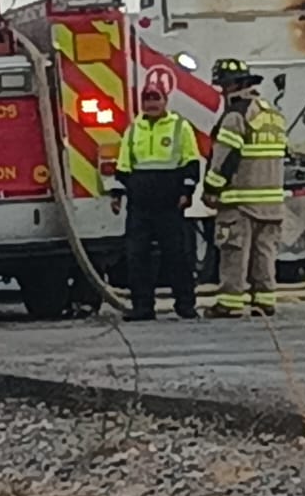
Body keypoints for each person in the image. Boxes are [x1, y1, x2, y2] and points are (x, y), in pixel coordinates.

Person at [202, 59, 288, 318]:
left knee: (234, 252)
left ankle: (229, 302)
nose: (223, 91)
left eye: (224, 86)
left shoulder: (236, 115)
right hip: (271, 201)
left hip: (240, 201)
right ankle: (264, 300)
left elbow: (225, 158)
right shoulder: (272, 115)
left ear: (236, 85)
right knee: (264, 252)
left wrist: (211, 189)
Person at [111, 86, 202, 321]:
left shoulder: (180, 127)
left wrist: (187, 190)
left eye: (155, 99)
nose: (151, 104)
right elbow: (124, 166)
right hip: (140, 204)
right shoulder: (133, 130)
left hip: (169, 202)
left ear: (165, 101)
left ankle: (185, 305)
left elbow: (191, 161)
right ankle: (143, 307)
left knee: (177, 256)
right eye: (147, 100)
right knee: (136, 256)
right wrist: (117, 195)